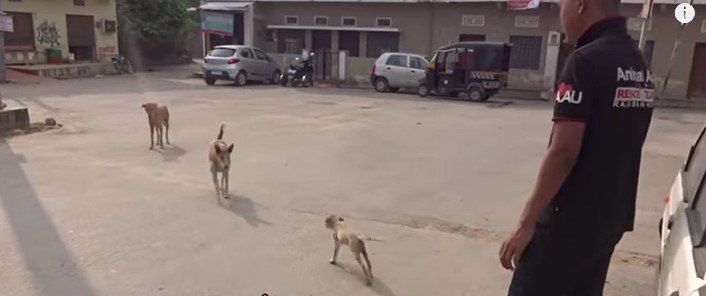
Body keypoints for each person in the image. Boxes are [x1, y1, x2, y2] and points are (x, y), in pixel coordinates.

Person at [498, 0, 654, 294]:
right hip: (611, 217)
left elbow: (564, 152)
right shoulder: (636, 63)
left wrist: (526, 222)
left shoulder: (584, 61)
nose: (560, 11)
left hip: (567, 222)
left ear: (581, 5)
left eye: (562, 3)